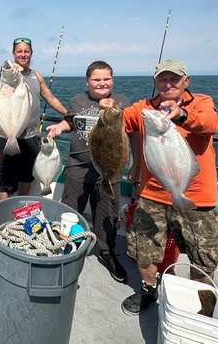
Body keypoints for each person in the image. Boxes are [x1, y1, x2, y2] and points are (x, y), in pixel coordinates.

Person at [116, 58, 218, 315]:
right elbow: (120, 119)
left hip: (196, 196)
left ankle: (204, 305)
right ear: (155, 82)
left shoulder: (201, 103)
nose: (168, 83)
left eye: (175, 78)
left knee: (203, 256)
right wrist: (108, 106)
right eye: (162, 78)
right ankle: (149, 290)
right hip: (152, 194)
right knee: (145, 249)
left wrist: (182, 114)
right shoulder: (144, 108)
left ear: (186, 81)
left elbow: (211, 124)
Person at [47, 61, 136, 283]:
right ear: (87, 81)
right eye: (96, 79)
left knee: (107, 212)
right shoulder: (78, 100)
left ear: (112, 80)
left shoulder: (123, 103)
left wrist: (136, 165)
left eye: (106, 79)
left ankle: (106, 252)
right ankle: (67, 247)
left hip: (109, 170)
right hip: (79, 165)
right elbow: (71, 121)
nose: (101, 83)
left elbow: (133, 131)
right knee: (70, 209)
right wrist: (60, 127)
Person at [0, 37, 67, 200]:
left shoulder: (37, 76)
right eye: (19, 51)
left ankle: (20, 208)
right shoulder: (8, 74)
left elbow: (52, 99)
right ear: (13, 53)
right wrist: (10, 69)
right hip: (8, 136)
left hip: (31, 137)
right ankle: (4, 215)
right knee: (5, 182)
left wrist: (69, 114)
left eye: (26, 51)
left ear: (31, 53)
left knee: (27, 177)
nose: (23, 54)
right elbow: (4, 69)